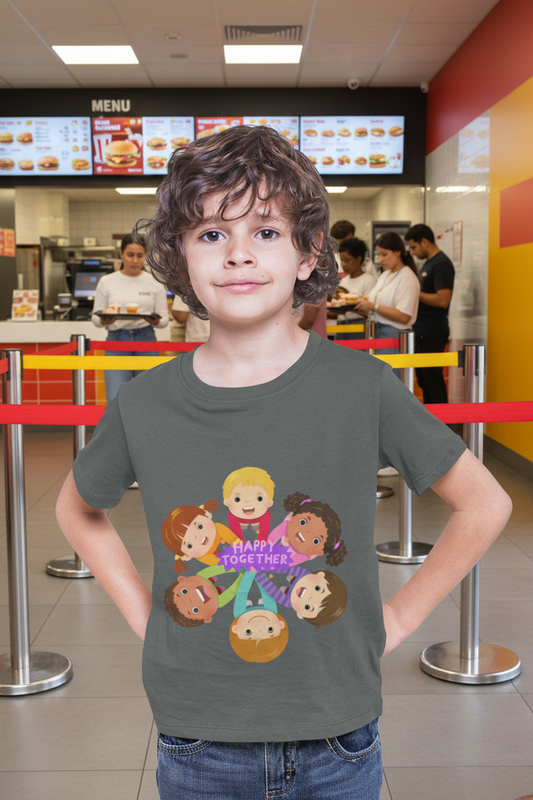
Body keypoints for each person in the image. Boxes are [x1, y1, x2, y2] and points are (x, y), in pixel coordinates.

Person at [56, 125, 512, 800]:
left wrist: (403, 618)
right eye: (211, 233)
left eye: (266, 232)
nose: (238, 254)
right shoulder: (146, 403)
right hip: (196, 731)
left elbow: (485, 503)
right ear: (179, 257)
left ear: (307, 255)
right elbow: (76, 507)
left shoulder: (363, 389)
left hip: (337, 731)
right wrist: (141, 615)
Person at [91, 233, 169, 402]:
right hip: (116, 341)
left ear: (145, 256)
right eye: (130, 255)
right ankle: (119, 430)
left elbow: (164, 320)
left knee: (149, 398)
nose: (135, 261)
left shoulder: (154, 282)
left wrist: (156, 321)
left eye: (140, 256)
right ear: (121, 254)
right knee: (115, 399)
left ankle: (145, 430)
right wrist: (104, 319)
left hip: (146, 340)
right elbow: (96, 318)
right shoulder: (107, 281)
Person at [405, 224, 455, 404]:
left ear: (424, 242)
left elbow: (443, 300)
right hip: (422, 330)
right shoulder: (428, 263)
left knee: (433, 380)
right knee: (425, 381)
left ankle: (441, 425)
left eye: (414, 247)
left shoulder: (441, 264)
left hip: (433, 331)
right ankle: (430, 422)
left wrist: (414, 293)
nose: (413, 252)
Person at [355, 232, 420, 362]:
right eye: (378, 255)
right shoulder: (386, 274)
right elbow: (375, 299)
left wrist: (374, 307)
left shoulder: (407, 278)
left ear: (398, 252)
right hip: (379, 330)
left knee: (390, 378)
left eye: (384, 254)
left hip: (394, 334)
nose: (380, 260)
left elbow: (404, 316)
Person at [328, 237, 377, 340]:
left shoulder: (368, 280)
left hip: (358, 326)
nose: (344, 265)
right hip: (341, 325)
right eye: (341, 261)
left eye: (347, 260)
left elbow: (369, 312)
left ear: (358, 259)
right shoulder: (344, 280)